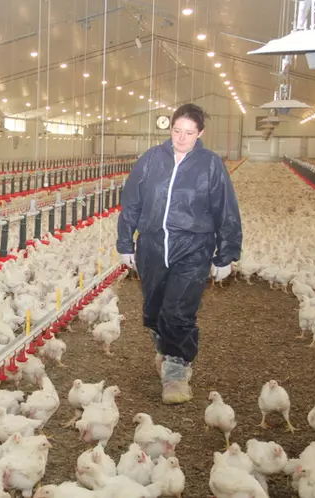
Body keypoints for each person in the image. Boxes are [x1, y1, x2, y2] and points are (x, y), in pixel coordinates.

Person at [116, 103, 243, 405]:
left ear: (200, 133)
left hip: (194, 247)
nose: (181, 138)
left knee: (177, 311)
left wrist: (226, 254)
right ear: (169, 128)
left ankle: (176, 371)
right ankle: (168, 350)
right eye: (176, 131)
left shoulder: (210, 165)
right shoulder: (151, 160)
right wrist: (125, 242)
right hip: (153, 246)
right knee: (154, 311)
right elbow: (131, 201)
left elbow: (226, 209)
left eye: (189, 132)